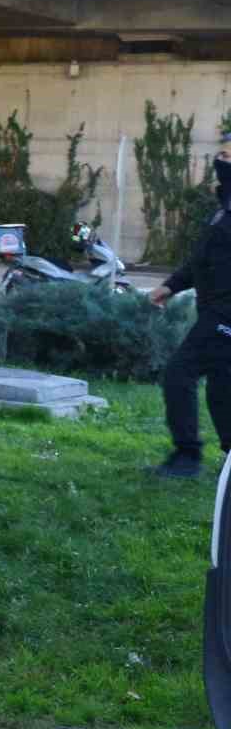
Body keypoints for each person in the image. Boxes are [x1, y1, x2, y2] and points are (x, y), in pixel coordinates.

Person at [150, 134, 231, 479]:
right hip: (214, 311)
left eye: (229, 155)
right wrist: (170, 286)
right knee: (222, 387)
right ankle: (228, 460)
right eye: (221, 153)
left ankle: (187, 456)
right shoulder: (223, 211)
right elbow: (202, 260)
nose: (221, 160)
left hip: (224, 315)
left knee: (179, 373)